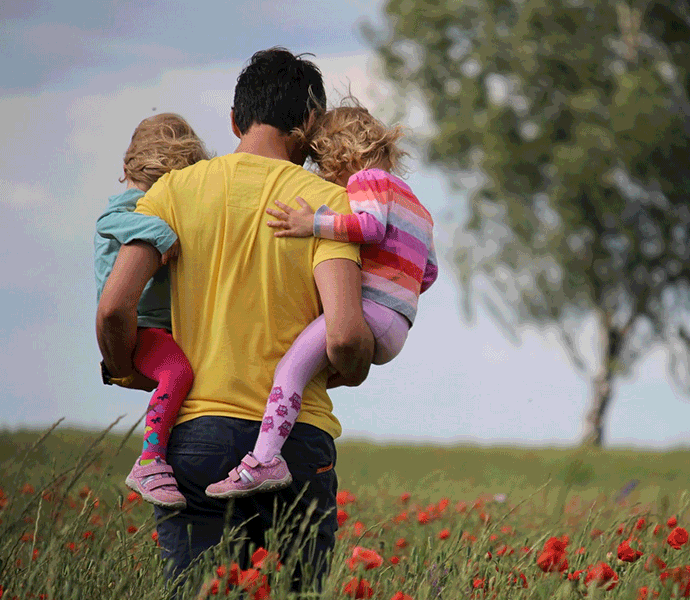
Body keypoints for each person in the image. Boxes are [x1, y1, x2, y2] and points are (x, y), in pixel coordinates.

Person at [96, 47, 374, 588]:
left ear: (233, 120)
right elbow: (343, 336)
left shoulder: (172, 192)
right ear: (310, 124)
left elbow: (113, 306)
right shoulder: (327, 204)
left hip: (195, 437)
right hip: (295, 442)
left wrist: (126, 367)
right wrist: (355, 364)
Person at [205, 103, 438, 498]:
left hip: (370, 312)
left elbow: (369, 227)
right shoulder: (417, 205)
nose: (326, 176)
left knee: (290, 368)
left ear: (341, 153)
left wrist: (311, 223)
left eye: (323, 164)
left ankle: (264, 460)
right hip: (399, 324)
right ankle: (278, 441)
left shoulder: (368, 180)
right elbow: (428, 272)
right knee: (310, 370)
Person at [94, 113, 209, 509]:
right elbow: (110, 220)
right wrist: (163, 234)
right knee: (178, 372)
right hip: (141, 327)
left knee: (183, 375)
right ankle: (150, 460)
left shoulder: (148, 201)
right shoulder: (132, 205)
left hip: (159, 327)